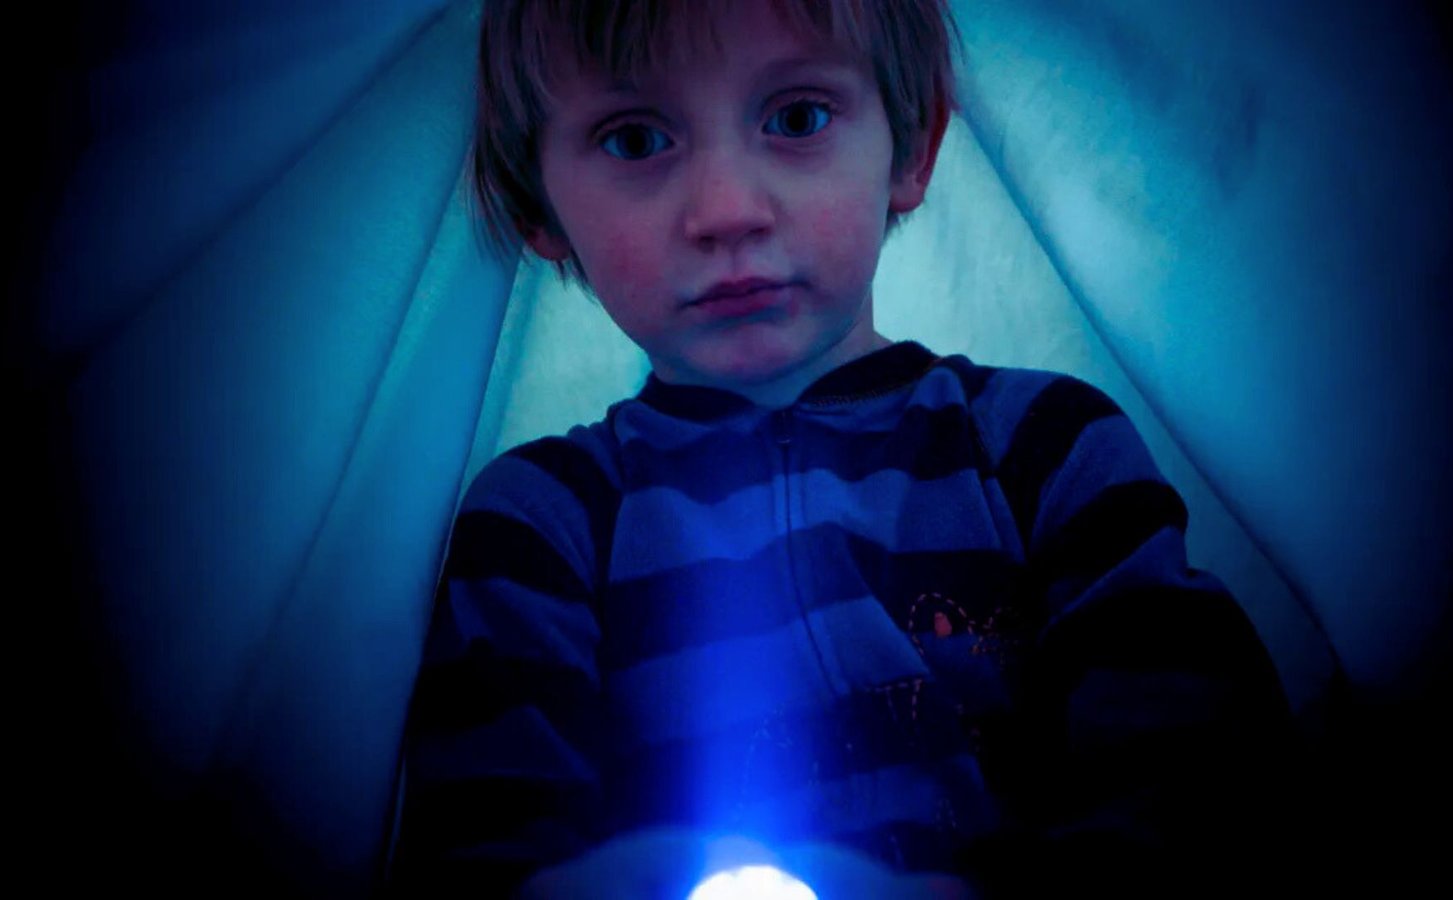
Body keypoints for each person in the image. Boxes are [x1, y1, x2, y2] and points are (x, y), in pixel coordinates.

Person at [391, 0, 1298, 895]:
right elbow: (482, 857)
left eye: (797, 118)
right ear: (535, 204)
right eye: (635, 140)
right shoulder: (543, 522)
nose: (727, 211)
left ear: (910, 148)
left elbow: (1206, 786)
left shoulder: (1045, 446)